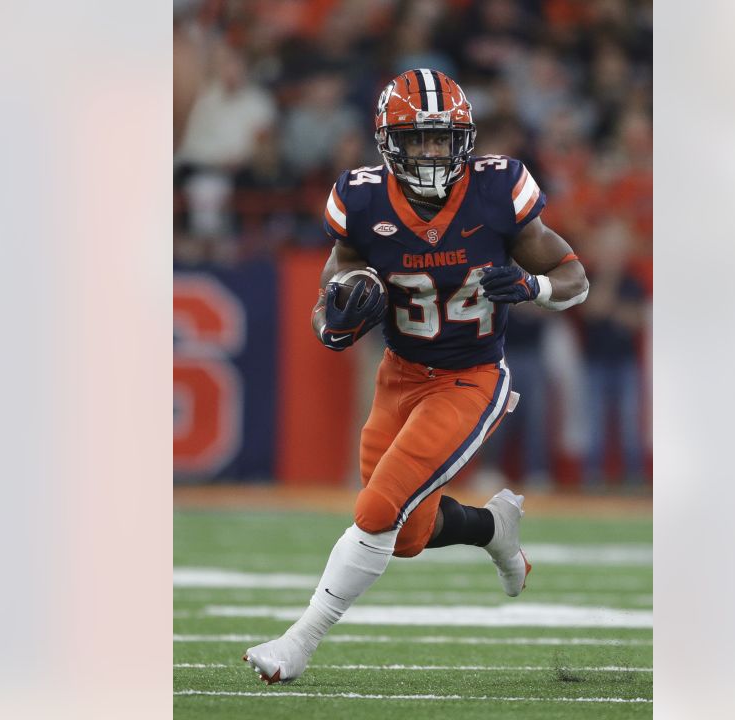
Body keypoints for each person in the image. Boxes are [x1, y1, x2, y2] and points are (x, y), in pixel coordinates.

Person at [243, 68, 590, 685]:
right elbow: (335, 282)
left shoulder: (498, 188)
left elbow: (574, 278)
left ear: (463, 139)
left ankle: (298, 642)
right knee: (404, 534)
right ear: (387, 141)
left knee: (377, 510)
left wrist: (534, 286)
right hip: (399, 376)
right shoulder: (362, 197)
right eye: (417, 138)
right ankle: (493, 527)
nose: (431, 151)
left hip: (470, 378)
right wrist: (335, 317)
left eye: (441, 137)